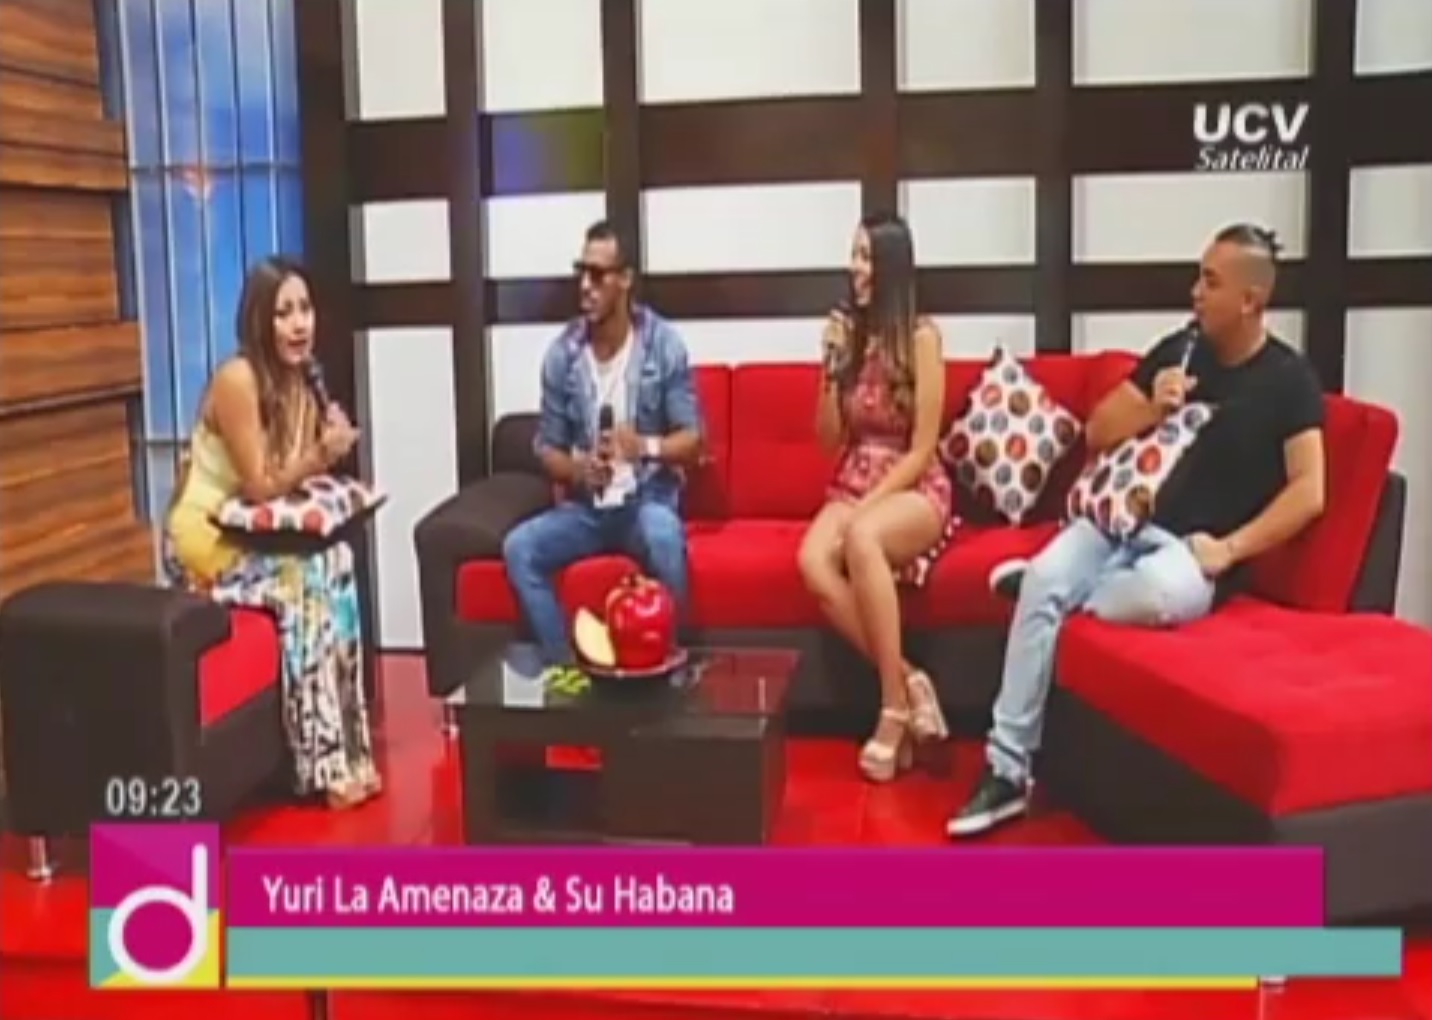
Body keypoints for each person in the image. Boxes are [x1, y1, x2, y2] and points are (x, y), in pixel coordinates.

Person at [949, 223, 1327, 837]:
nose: (1195, 292)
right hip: (1119, 521)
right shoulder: (1179, 349)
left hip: (1192, 551)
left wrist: (1230, 548)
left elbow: (1310, 491)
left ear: (1250, 300)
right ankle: (1007, 771)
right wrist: (1153, 404)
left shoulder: (1289, 382)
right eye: (1198, 277)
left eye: (1211, 282)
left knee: (1148, 593)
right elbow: (1098, 431)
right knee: (1049, 578)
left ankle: (1046, 593)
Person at [164, 256, 379, 810]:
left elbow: (293, 478)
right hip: (205, 538)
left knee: (337, 560)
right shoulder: (238, 380)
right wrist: (320, 454)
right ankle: (319, 763)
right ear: (260, 320)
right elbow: (262, 485)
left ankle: (351, 749)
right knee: (302, 578)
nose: (299, 324)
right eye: (284, 313)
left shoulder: (299, 379)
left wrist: (325, 438)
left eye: (305, 309)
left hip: (252, 534)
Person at [502, 221, 703, 669]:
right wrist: (579, 470)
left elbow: (693, 441)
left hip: (645, 501)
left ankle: (671, 669)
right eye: (581, 273)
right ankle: (568, 672)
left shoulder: (662, 345)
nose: (585, 286)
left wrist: (644, 446)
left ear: (625, 279)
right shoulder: (563, 355)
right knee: (519, 548)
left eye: (597, 275)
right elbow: (547, 448)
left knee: (663, 535)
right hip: (587, 510)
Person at [797, 212, 954, 783]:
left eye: (865, 257)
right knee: (812, 561)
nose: (854, 268)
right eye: (854, 255)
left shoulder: (922, 338)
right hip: (854, 474)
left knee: (862, 538)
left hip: (912, 483)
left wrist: (867, 508)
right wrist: (830, 368)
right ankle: (911, 681)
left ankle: (891, 710)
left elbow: (922, 447)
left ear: (890, 267)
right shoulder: (853, 339)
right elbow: (827, 440)